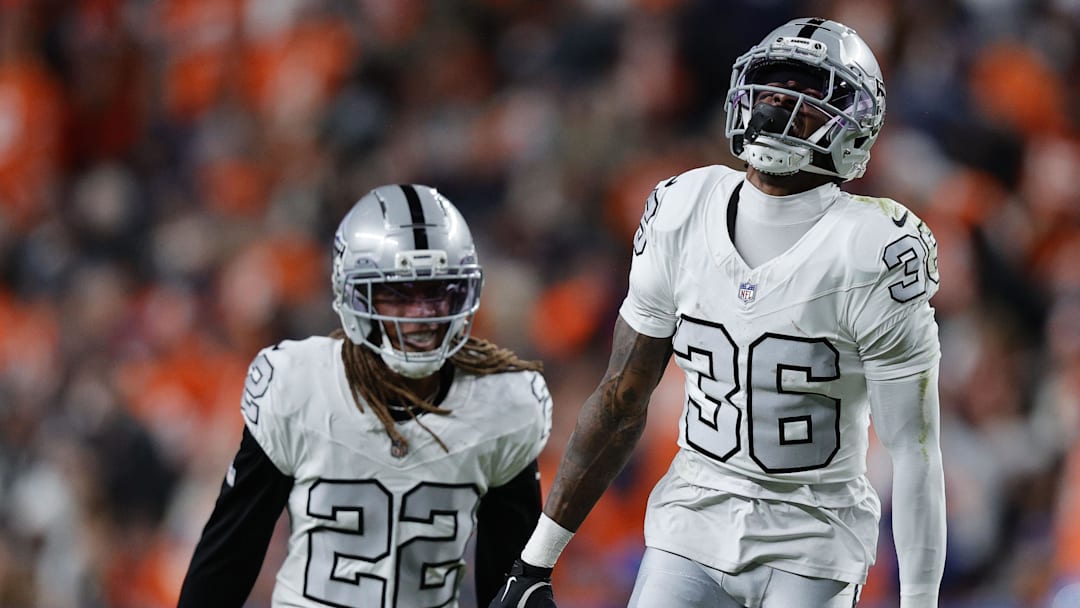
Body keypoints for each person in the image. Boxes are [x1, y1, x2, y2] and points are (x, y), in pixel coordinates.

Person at [491, 17, 945, 608]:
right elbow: (622, 397)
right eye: (775, 86)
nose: (781, 105)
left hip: (816, 540)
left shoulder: (875, 249)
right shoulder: (682, 207)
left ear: (853, 127)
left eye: (808, 95)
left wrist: (919, 601)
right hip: (693, 519)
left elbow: (914, 450)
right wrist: (534, 560)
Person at [178, 184, 553, 608]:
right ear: (354, 296)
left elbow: (507, 581)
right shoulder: (299, 388)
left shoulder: (501, 405)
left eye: (437, 290)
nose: (422, 314)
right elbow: (230, 555)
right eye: (398, 294)